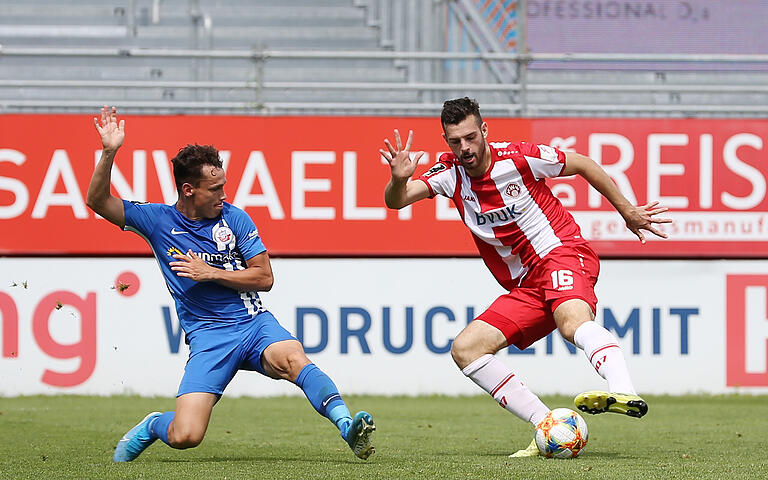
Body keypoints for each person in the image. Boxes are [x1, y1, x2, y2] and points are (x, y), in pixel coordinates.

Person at [379, 97, 670, 457]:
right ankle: (546, 424)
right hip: (525, 286)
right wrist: (397, 179)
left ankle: (623, 388)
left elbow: (582, 164)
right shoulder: (449, 174)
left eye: (471, 137)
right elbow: (397, 201)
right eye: (455, 141)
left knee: (571, 323)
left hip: (561, 253)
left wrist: (626, 212)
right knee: (466, 349)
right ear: (446, 141)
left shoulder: (518, 157)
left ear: (485, 130)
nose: (465, 148)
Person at [87, 106, 375, 462]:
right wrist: (110, 151)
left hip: (253, 324)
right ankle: (153, 425)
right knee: (186, 435)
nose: (224, 194)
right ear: (189, 189)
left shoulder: (234, 218)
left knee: (294, 359)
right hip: (208, 337)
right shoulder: (158, 221)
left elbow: (264, 277)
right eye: (216, 188)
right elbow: (97, 201)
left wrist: (212, 273)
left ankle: (348, 426)